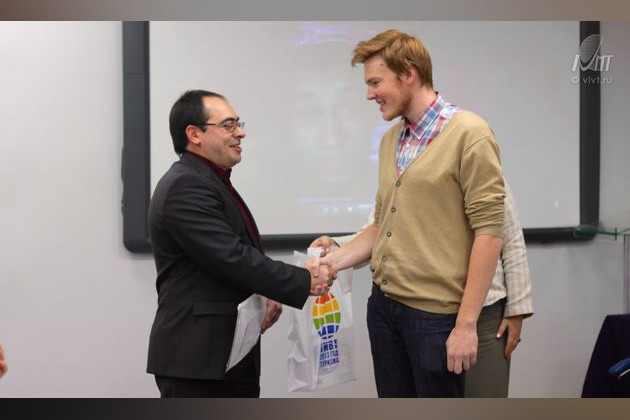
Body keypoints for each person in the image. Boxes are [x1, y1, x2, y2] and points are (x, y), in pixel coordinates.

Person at [309, 29, 505, 397]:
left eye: (375, 82)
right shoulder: (390, 140)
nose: (369, 94)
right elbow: (381, 225)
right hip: (384, 310)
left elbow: (490, 233)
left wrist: (466, 325)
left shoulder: (470, 134)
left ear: (409, 74)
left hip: (434, 318)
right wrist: (332, 262)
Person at [146, 90, 334, 398]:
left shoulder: (210, 180)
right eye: (228, 125)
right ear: (194, 134)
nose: (240, 133)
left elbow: (226, 260)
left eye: (238, 124)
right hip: (197, 361)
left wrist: (266, 290)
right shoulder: (186, 185)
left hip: (222, 356)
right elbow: (230, 257)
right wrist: (305, 280)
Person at [311, 183, 533, 397]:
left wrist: (517, 309)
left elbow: (510, 238)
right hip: (425, 313)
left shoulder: (477, 161)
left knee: (482, 396)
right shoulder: (401, 168)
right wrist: (335, 249)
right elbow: (379, 231)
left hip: (483, 312)